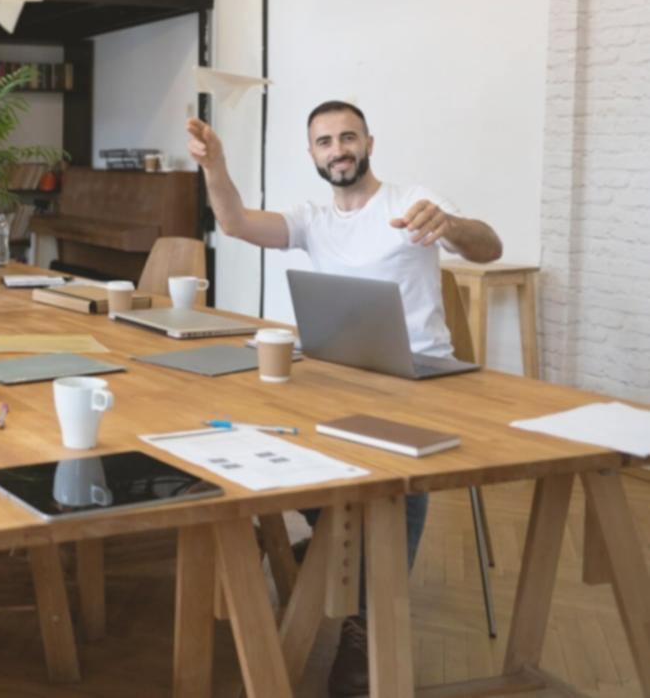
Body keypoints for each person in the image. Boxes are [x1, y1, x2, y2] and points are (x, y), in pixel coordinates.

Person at [186, 100, 501, 696]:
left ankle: (365, 622)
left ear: (369, 142)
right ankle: (325, 535)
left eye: (348, 137)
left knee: (398, 469)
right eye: (325, 141)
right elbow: (234, 224)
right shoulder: (311, 218)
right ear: (313, 154)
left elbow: (488, 247)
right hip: (336, 369)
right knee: (257, 425)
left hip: (420, 373)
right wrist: (215, 166)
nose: (339, 150)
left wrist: (453, 228)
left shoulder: (411, 202)